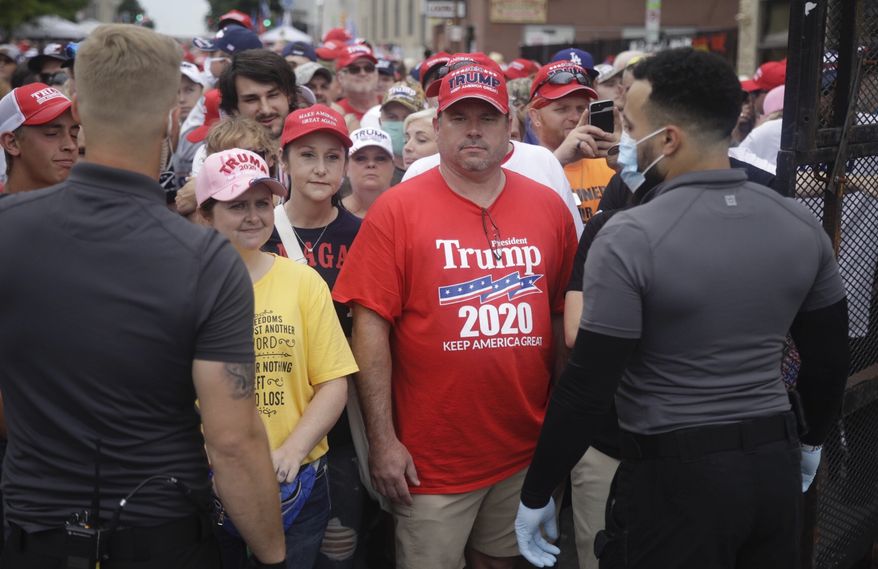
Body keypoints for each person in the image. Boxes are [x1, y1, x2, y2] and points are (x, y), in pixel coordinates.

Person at [515, 47, 850, 569]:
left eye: (630, 125)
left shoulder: (631, 234)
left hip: (675, 477)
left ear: (667, 139)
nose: (622, 138)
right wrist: (810, 440)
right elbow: (828, 357)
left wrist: (537, 491)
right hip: (773, 465)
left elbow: (590, 380)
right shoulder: (797, 222)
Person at [0, 24, 286, 568]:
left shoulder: (7, 232)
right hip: (162, 531)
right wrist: (274, 555)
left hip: (36, 531)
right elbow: (232, 441)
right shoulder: (207, 261)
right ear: (170, 115)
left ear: (79, 108)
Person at [333, 63, 577, 569]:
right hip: (431, 460)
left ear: (509, 127)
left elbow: (560, 319)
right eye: (458, 117)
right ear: (437, 125)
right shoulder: (396, 210)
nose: (473, 130)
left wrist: (558, 434)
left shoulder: (548, 207)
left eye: (485, 118)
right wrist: (383, 442)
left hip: (522, 449)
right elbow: (369, 326)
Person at [197, 147, 355, 569]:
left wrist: (291, 452)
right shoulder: (184, 289)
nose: (253, 216)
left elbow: (333, 382)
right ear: (206, 215)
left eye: (262, 204)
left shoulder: (303, 281)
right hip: (212, 485)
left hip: (299, 479)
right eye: (237, 205)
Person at [263, 105, 370, 569]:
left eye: (333, 156)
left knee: (338, 554)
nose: (321, 168)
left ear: (346, 163)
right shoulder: (256, 229)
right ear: (283, 159)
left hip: (345, 428)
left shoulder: (366, 236)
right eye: (307, 155)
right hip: (272, 422)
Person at [528, 60, 617, 222]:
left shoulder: (608, 160)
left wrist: (624, 165)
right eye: (562, 109)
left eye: (581, 108)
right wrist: (558, 161)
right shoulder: (522, 164)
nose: (575, 117)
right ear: (535, 116)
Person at [0, 82, 79, 194]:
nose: (71, 145)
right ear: (11, 143)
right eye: (52, 133)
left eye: (74, 134)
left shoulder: (92, 206)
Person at [342, 127, 396, 217]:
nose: (371, 164)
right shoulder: (330, 214)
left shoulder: (409, 211)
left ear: (393, 167)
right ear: (346, 167)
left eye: (380, 158)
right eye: (360, 158)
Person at [336, 45, 380, 123]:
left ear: (376, 73)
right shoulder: (336, 114)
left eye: (369, 68)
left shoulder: (393, 105)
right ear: (340, 77)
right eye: (354, 69)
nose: (363, 73)